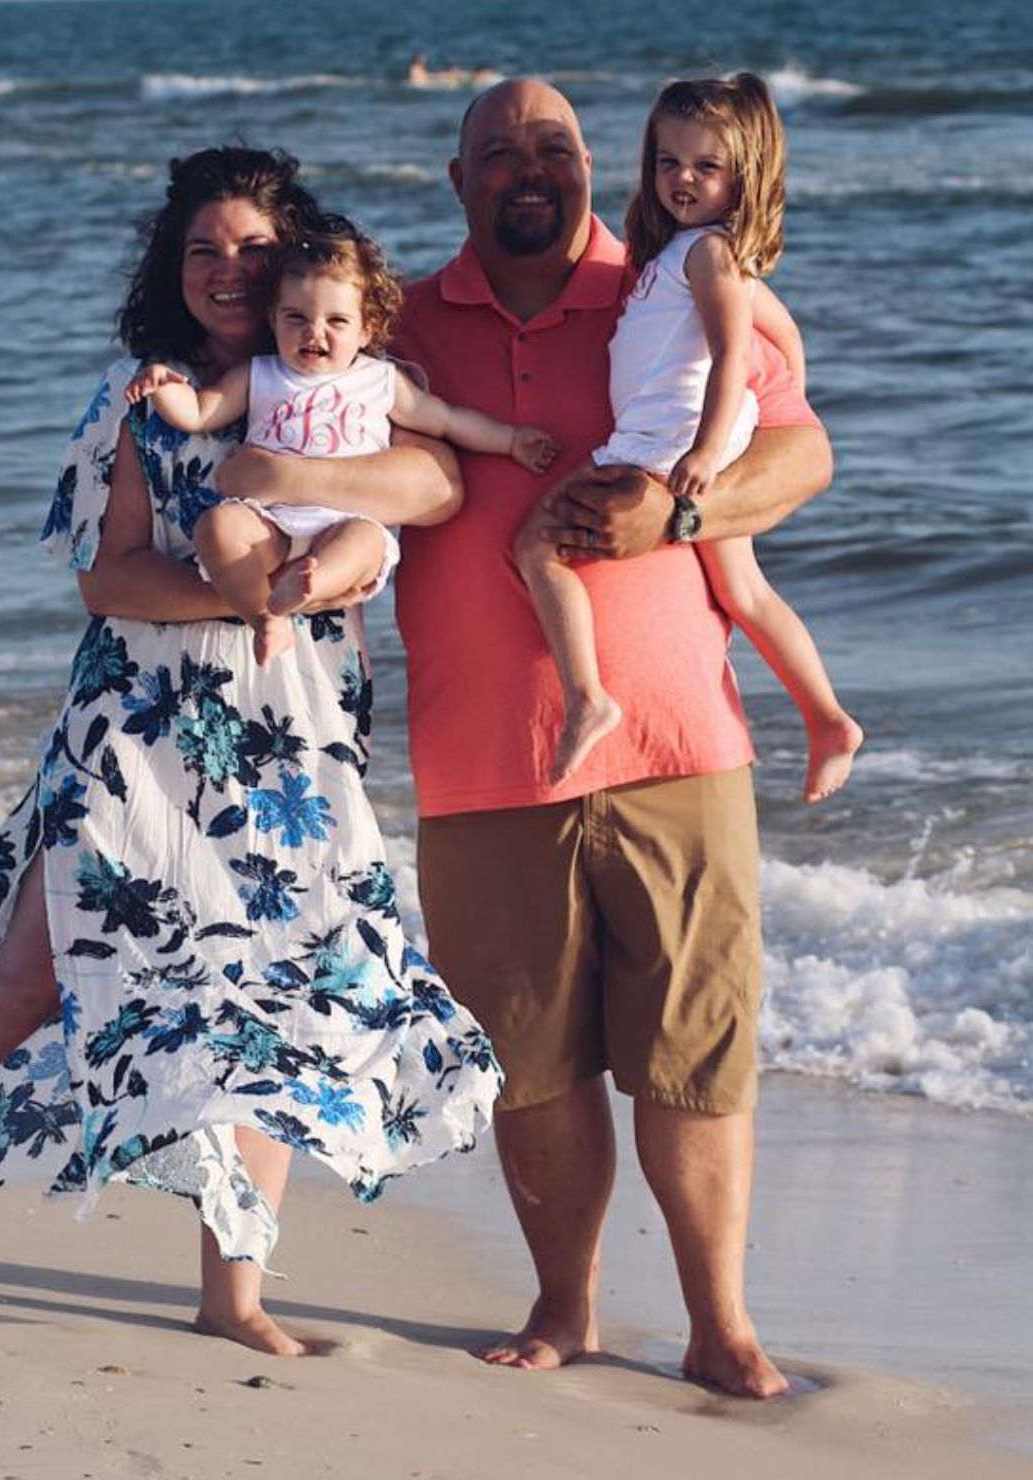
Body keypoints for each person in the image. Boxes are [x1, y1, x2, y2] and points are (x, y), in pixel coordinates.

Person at [0, 146, 501, 1354]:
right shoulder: (138, 394)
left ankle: (232, 1291)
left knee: (276, 998)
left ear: (295, 256)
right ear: (171, 266)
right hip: (136, 730)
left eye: (252, 247)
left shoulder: (341, 374)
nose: (227, 268)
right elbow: (109, 578)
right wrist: (259, 602)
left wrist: (295, 487)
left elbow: (437, 483)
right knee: (22, 982)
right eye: (201, 248)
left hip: (293, 745)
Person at [382, 78, 831, 1398]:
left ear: (598, 166)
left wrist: (674, 520)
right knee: (527, 1061)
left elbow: (802, 456)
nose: (532, 166)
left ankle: (718, 1326)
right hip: (480, 764)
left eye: (557, 145)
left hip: (676, 740)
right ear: (456, 179)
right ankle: (564, 1305)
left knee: (693, 1049)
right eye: (500, 149)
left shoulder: (659, 286)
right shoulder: (400, 323)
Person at [512, 73, 862, 795]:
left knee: (536, 546)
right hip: (672, 439)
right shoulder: (686, 253)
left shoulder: (709, 253)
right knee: (745, 589)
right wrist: (778, 390)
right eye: (669, 163)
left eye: (707, 167)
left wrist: (709, 448)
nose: (682, 179)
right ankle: (827, 718)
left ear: (744, 175)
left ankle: (587, 697)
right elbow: (782, 331)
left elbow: (737, 350)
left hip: (661, 447)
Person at [125, 225, 556, 664]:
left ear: (367, 328)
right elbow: (200, 412)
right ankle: (265, 619)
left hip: (345, 518)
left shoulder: (380, 380)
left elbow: (447, 420)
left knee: (363, 543)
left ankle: (313, 582)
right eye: (296, 318)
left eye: (336, 321)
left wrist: (511, 441)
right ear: (272, 318)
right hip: (269, 521)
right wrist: (162, 384)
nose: (315, 333)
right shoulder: (261, 374)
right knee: (217, 528)